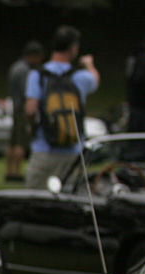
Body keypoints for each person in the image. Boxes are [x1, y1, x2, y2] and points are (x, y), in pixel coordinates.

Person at [24, 25, 99, 190]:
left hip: (44, 147)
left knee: (35, 197)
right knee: (69, 198)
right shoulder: (79, 76)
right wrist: (89, 64)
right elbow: (95, 81)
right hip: (73, 150)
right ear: (73, 48)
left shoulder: (38, 74)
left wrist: (30, 127)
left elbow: (30, 108)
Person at [5, 41, 45, 182]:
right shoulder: (27, 71)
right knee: (21, 142)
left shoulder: (15, 67)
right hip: (23, 109)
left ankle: (8, 171)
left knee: (12, 141)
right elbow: (27, 93)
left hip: (15, 108)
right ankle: (16, 172)